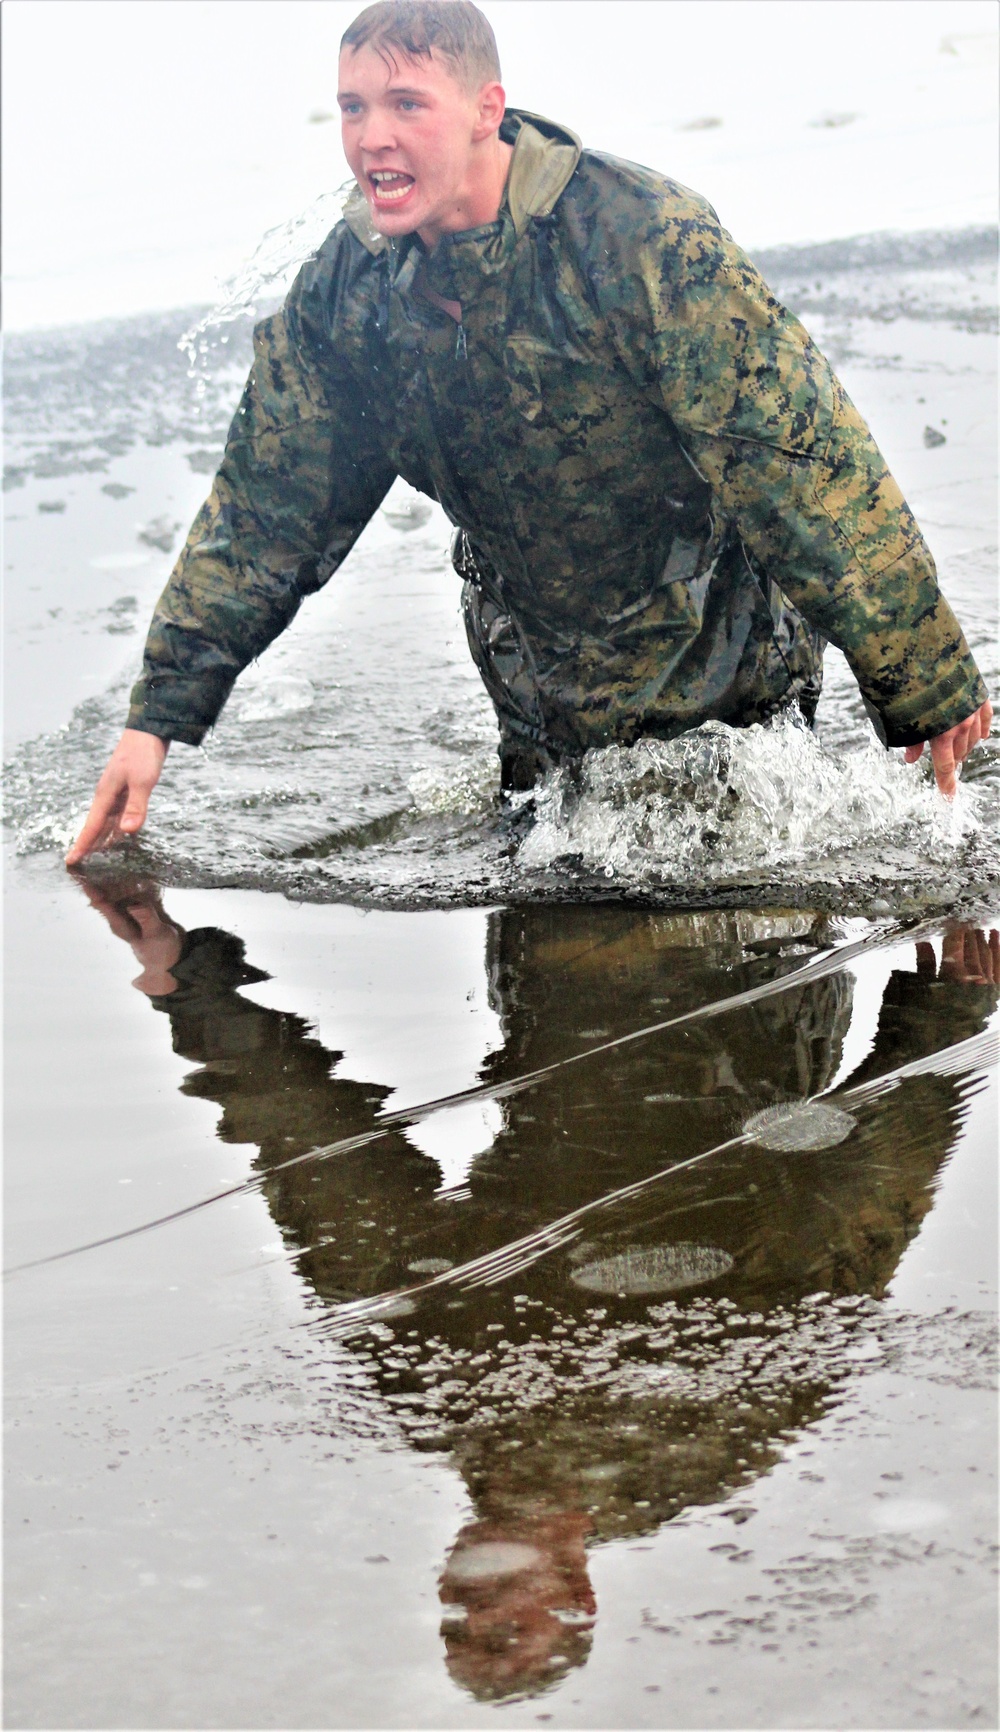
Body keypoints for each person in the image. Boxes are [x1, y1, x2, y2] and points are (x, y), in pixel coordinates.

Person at [66, 0, 991, 866]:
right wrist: (159, 716)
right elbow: (267, 510)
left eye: (405, 103)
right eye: (352, 107)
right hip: (541, 719)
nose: (370, 136)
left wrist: (924, 683)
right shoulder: (352, 295)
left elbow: (803, 466)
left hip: (731, 696)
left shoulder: (637, 243)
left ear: (485, 112)